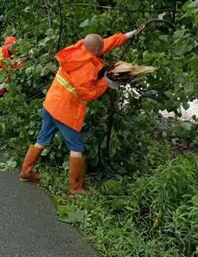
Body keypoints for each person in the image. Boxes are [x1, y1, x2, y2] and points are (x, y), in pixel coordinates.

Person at [19, 30, 137, 194]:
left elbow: (103, 43)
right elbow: (87, 94)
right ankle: (75, 187)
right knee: (77, 147)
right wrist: (106, 83)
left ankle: (26, 171)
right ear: (95, 50)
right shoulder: (86, 69)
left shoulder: (80, 48)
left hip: (52, 103)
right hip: (64, 110)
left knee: (43, 138)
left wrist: (125, 36)